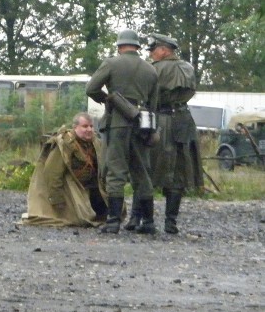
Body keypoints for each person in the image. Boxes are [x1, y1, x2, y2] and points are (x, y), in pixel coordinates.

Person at [125, 34, 203, 234]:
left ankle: (138, 218)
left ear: (164, 50)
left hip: (157, 119)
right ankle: (171, 222)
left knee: (145, 167)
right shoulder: (188, 68)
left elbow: (142, 95)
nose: (151, 54)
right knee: (179, 170)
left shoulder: (153, 69)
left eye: (153, 50)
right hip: (183, 119)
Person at [85, 28, 158, 234]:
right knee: (142, 172)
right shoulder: (151, 70)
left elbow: (91, 88)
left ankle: (113, 221)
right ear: (137, 46)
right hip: (142, 123)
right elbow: (154, 103)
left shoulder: (111, 63)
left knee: (116, 170)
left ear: (119, 46)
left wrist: (106, 99)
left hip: (117, 122)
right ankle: (149, 222)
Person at [22, 113, 110, 227]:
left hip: (91, 188)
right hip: (71, 189)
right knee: (80, 220)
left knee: (106, 214)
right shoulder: (64, 144)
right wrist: (57, 201)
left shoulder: (96, 143)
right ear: (75, 127)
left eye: (91, 126)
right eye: (85, 126)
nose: (89, 129)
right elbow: (52, 173)